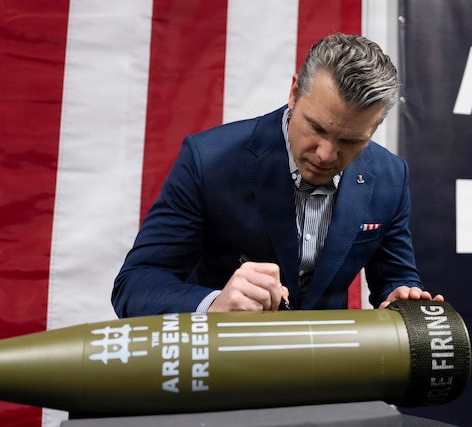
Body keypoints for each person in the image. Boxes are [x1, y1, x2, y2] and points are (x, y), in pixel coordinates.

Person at [111, 33, 442, 317]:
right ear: (294, 93)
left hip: (325, 376)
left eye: (350, 141)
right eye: (315, 127)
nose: (326, 154)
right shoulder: (208, 160)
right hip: (225, 370)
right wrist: (214, 305)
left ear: (373, 129)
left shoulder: (390, 175)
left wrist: (402, 299)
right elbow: (136, 283)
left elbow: (395, 278)